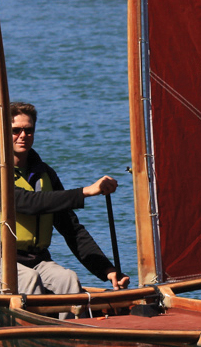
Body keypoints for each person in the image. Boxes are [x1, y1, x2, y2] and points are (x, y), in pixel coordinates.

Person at [8, 101, 129, 295]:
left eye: (28, 130)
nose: (23, 136)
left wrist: (106, 270)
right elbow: (28, 203)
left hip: (38, 260)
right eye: (16, 130)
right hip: (2, 264)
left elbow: (71, 230)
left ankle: (74, 325)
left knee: (68, 279)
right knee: (31, 281)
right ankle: (39, 325)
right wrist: (85, 191)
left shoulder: (45, 174)